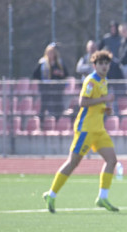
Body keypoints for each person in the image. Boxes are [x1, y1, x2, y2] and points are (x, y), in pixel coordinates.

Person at [42, 49, 120, 213]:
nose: (104, 66)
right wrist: (104, 99)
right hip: (85, 129)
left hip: (99, 129)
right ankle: (52, 193)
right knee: (73, 162)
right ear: (95, 65)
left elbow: (96, 104)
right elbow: (83, 102)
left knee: (112, 160)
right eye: (101, 63)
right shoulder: (91, 81)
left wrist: (105, 109)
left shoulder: (104, 81)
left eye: (106, 63)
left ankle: (102, 197)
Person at [32, 42, 70, 117]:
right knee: (44, 105)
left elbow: (66, 74)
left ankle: (57, 122)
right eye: (49, 53)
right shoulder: (42, 63)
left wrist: (60, 73)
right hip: (46, 88)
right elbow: (35, 75)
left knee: (57, 106)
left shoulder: (59, 63)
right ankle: (42, 123)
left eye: (52, 53)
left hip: (57, 89)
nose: (50, 55)